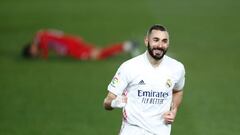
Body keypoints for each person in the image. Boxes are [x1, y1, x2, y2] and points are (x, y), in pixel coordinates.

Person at [103, 24, 186, 135]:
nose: (160, 45)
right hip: (132, 130)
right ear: (147, 41)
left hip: (161, 131)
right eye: (156, 40)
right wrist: (114, 102)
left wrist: (173, 110)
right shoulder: (129, 67)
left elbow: (178, 91)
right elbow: (106, 102)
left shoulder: (177, 68)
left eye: (164, 41)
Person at [22, 29, 139, 60]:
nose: (36, 53)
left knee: (97, 55)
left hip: (72, 48)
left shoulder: (40, 38)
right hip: (71, 45)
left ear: (31, 48)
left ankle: (126, 46)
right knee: (99, 52)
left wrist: (44, 56)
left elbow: (47, 50)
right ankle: (125, 47)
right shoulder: (40, 36)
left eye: (33, 53)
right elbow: (59, 35)